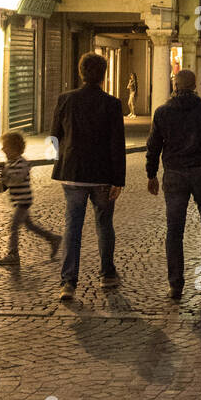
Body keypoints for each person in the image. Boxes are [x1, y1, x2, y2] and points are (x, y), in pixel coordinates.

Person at [145, 69, 201, 301]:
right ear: (195, 86)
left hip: (174, 175)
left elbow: (153, 146)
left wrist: (151, 174)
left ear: (175, 85)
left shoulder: (163, 112)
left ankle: (175, 285)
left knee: (174, 230)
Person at [50, 51, 126, 302]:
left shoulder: (65, 100)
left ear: (80, 72)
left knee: (73, 226)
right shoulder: (112, 104)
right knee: (104, 224)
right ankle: (107, 274)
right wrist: (119, 180)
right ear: (104, 75)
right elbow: (117, 144)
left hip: (73, 174)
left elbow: (54, 137)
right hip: (103, 175)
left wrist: (59, 160)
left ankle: (68, 282)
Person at [0, 131, 61, 268]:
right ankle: (53, 238)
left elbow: (17, 179)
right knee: (31, 226)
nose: (3, 149)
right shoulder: (9, 163)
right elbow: (5, 186)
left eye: (6, 147)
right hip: (18, 201)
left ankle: (13, 254)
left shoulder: (22, 163)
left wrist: (5, 174)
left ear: (15, 149)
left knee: (13, 227)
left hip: (23, 202)